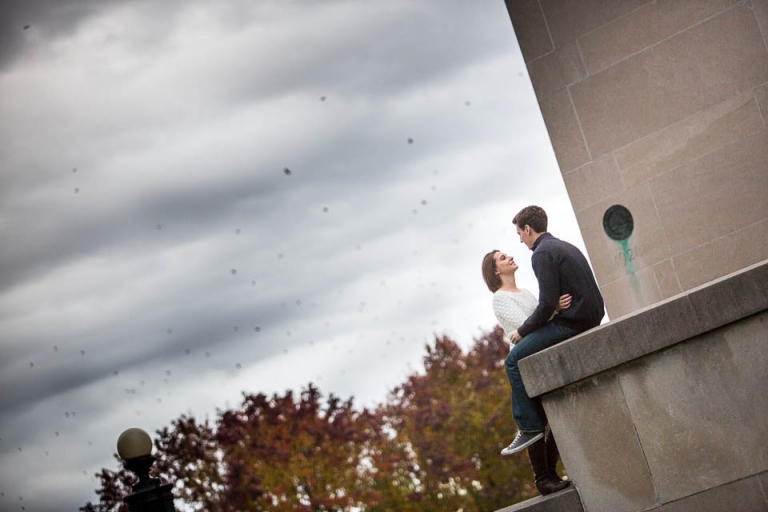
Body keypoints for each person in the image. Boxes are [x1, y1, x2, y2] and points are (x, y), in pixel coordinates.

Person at [506, 205, 604, 492]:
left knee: (512, 361)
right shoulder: (562, 246)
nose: (520, 241)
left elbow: (547, 302)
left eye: (519, 233)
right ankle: (535, 433)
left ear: (527, 229)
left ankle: (529, 427)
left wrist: (521, 331)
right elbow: (553, 300)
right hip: (587, 317)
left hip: (573, 323)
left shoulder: (542, 254)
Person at [481, 249, 572, 495]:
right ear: (496, 271)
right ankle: (542, 478)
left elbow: (541, 316)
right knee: (537, 422)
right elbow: (528, 325)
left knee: (555, 417)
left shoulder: (527, 292)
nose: (509, 257)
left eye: (507, 255)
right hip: (526, 366)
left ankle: (550, 473)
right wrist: (550, 309)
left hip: (543, 359)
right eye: (502, 258)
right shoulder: (499, 298)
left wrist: (552, 309)